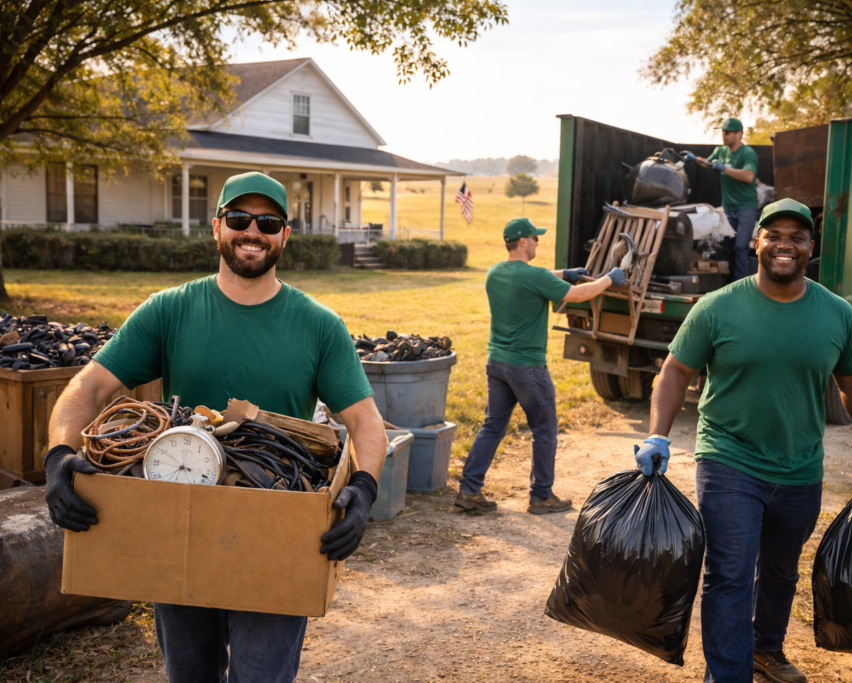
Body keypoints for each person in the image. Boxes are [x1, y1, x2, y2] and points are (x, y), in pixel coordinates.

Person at [43, 171, 388, 683]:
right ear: (216, 226)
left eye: (268, 222)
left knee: (259, 676)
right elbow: (86, 388)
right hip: (178, 519)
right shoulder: (170, 310)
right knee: (190, 674)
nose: (253, 231)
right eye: (239, 218)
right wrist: (57, 458)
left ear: (285, 235)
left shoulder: (317, 324)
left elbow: (365, 421)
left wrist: (363, 488)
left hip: (277, 529)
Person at [633, 198, 852, 683]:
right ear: (755, 241)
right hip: (728, 460)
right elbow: (675, 370)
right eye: (773, 235)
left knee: (780, 574)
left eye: (796, 238)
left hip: (800, 467)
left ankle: (764, 650)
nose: (784, 245)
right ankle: (728, 675)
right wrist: (657, 435)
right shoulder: (717, 308)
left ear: (809, 248)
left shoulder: (836, 314)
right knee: (730, 576)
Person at [456, 217, 626, 514]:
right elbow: (578, 295)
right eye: (535, 238)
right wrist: (610, 278)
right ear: (523, 242)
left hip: (496, 363)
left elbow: (530, 277)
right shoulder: (534, 277)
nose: (538, 242)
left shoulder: (494, 273)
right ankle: (542, 496)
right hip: (527, 368)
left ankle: (469, 491)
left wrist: (565, 273)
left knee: (492, 426)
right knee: (545, 429)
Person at [684, 117, 759, 282]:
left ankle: (741, 285)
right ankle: (729, 283)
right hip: (728, 208)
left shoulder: (747, 153)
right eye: (722, 132)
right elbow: (709, 164)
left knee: (740, 246)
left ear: (739, 134)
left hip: (746, 207)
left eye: (727, 132)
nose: (723, 135)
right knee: (728, 247)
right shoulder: (720, 151)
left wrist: (725, 168)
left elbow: (749, 176)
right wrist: (695, 158)